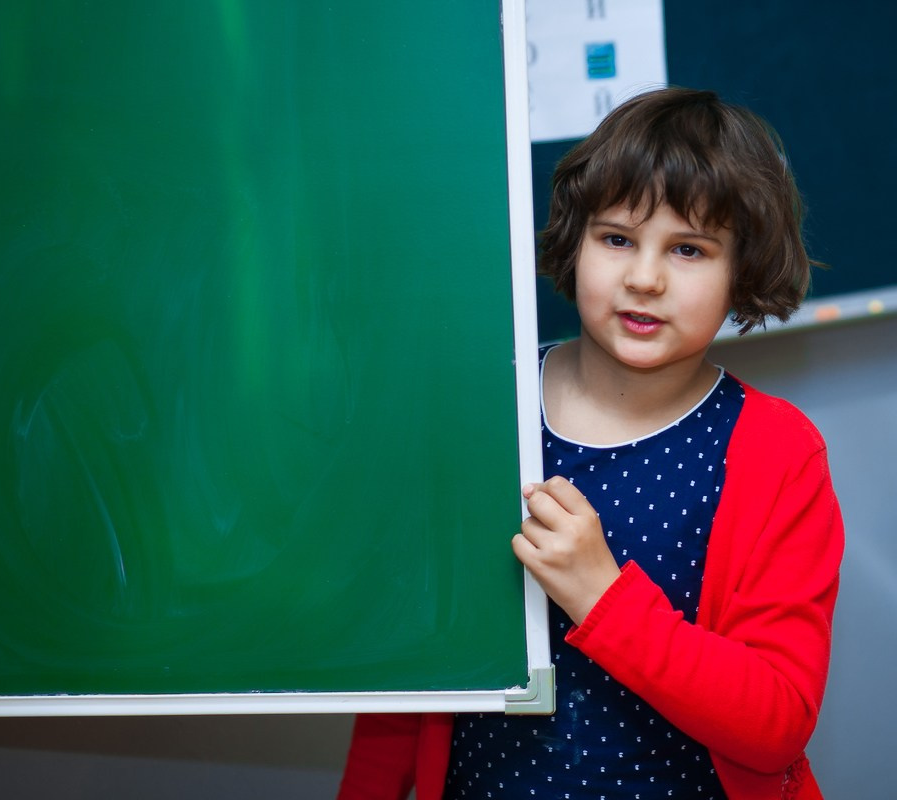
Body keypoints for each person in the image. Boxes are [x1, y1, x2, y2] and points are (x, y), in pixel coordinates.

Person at [337, 88, 844, 800]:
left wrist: (602, 597)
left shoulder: (777, 454)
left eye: (689, 249)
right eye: (616, 238)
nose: (645, 277)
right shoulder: (486, 412)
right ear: (574, 242)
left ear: (743, 271)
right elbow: (413, 670)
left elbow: (776, 721)